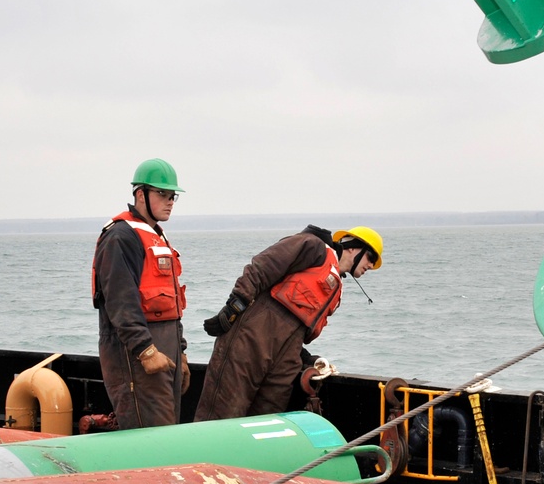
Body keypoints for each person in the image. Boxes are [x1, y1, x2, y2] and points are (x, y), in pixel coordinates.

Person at [194, 224, 382, 421]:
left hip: (285, 357)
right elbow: (262, 267)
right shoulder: (313, 246)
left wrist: (306, 358)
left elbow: (296, 329)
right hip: (250, 339)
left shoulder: (336, 288)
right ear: (352, 247)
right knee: (221, 414)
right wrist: (234, 307)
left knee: (267, 421)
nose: (370, 265)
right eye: (371, 257)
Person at [92, 158, 190, 429]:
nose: (169, 201)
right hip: (136, 353)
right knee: (149, 433)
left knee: (167, 428)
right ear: (140, 194)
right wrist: (146, 351)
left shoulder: (156, 236)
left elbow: (171, 304)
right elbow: (121, 303)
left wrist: (180, 352)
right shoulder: (121, 238)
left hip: (165, 347)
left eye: (173, 196)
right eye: (162, 194)